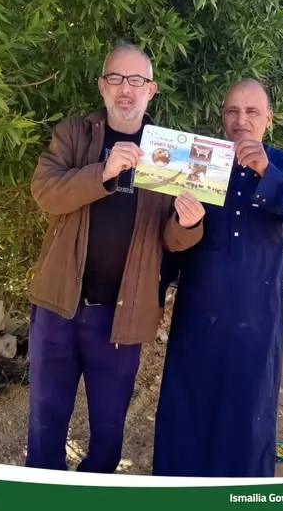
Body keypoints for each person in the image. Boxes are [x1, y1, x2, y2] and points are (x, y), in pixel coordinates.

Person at [26, 41, 206, 473]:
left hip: (121, 317)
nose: (126, 89)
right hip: (58, 307)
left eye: (136, 80)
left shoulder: (172, 152)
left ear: (151, 90)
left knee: (108, 432)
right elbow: (45, 193)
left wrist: (188, 223)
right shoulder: (75, 134)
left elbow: (171, 240)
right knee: (45, 423)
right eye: (116, 78)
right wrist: (102, 173)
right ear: (102, 87)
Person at [152, 79, 283, 477]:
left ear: (269, 119)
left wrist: (267, 171)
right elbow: (173, 238)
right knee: (186, 408)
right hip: (198, 314)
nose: (241, 120)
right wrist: (158, 294)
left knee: (247, 415)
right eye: (232, 111)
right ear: (222, 117)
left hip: (256, 320)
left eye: (251, 112)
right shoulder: (201, 161)